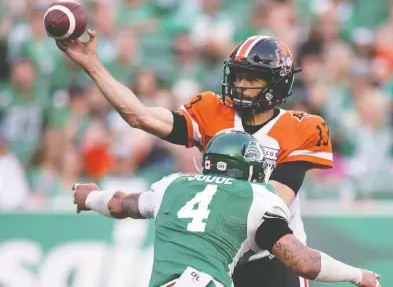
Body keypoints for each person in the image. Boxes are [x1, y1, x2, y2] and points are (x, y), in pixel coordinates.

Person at [57, 31, 331, 287]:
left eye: (251, 78)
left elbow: (275, 199)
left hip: (271, 257)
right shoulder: (211, 109)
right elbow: (139, 115)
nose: (241, 85)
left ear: (276, 83)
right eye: (238, 76)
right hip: (214, 253)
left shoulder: (303, 127)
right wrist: (91, 63)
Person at [73, 130, 381, 287]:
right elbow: (305, 263)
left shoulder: (173, 184)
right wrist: (357, 274)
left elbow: (119, 204)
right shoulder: (257, 196)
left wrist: (89, 199)